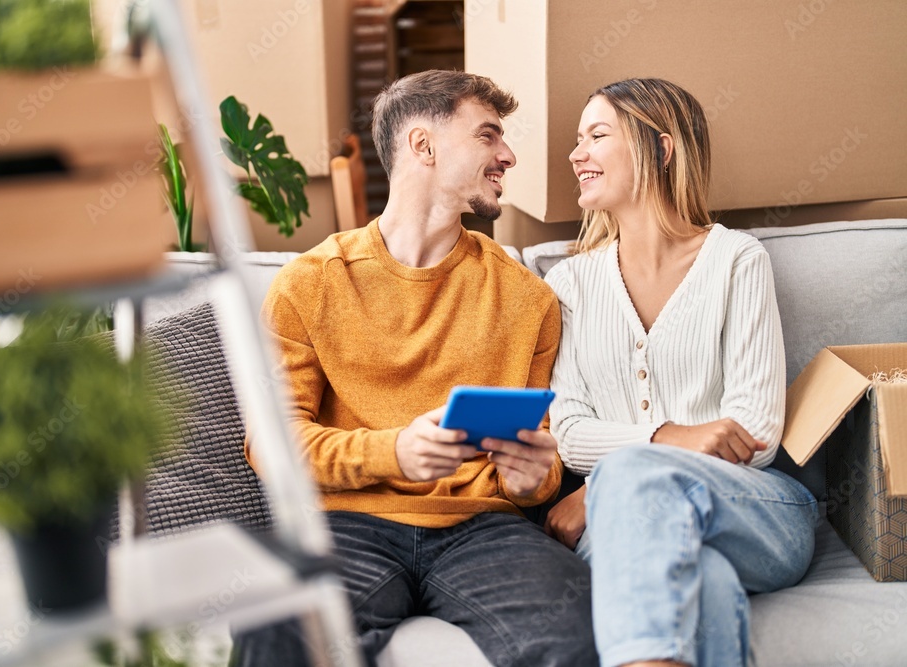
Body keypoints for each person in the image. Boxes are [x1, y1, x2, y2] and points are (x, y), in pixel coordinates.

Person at [234, 70, 598, 667]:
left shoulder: (528, 298)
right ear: (422, 146)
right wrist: (393, 453)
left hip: (484, 530)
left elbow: (541, 465)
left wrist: (535, 476)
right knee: (275, 625)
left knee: (578, 628)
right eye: (487, 136)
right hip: (344, 522)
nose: (508, 155)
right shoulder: (310, 283)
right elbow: (271, 446)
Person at [542, 78, 818, 667]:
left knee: (639, 483)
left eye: (596, 135)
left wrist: (606, 484)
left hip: (757, 513)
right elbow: (568, 432)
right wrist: (672, 438)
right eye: (578, 138)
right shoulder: (568, 284)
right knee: (707, 581)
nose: (575, 154)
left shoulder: (737, 261)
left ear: (661, 149)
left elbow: (755, 434)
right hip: (626, 531)